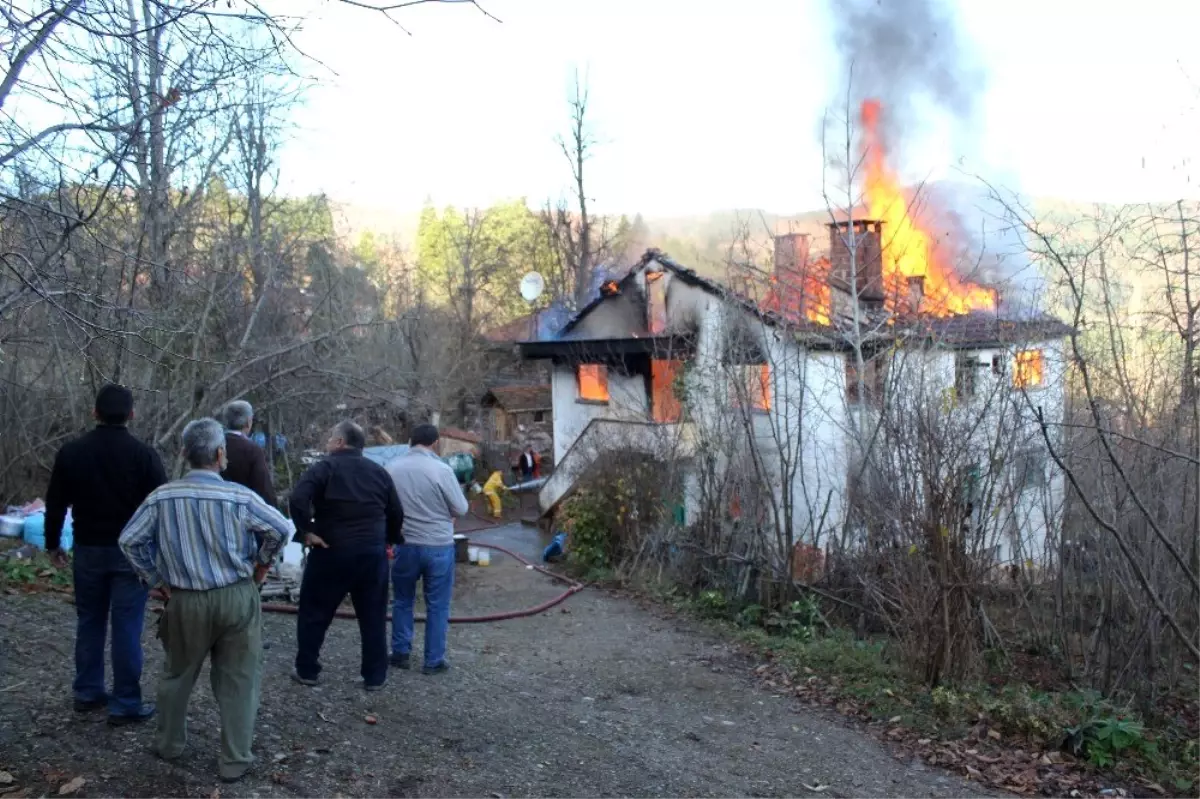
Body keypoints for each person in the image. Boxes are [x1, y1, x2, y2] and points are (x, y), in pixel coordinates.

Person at [119, 418, 290, 783]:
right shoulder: (240, 497)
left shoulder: (162, 497)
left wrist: (155, 579)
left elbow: (129, 540)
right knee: (240, 680)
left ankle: (168, 744)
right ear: (219, 454)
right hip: (237, 598)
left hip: (184, 600)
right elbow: (281, 528)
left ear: (183, 453)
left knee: (177, 674)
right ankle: (234, 761)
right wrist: (261, 566)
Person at [44, 384, 167, 725]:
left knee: (90, 621)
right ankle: (126, 702)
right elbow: (162, 506)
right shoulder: (144, 456)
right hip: (131, 553)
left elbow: (55, 503)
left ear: (94, 413)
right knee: (127, 627)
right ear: (132, 414)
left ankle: (87, 691)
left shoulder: (72, 452)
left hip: (87, 549)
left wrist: (53, 543)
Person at [288, 420, 403, 690]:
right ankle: (375, 677)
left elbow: (297, 498)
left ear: (340, 442)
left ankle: (307, 669)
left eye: (330, 438)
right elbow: (396, 512)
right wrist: (390, 538)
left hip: (331, 549)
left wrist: (307, 531)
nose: (327, 443)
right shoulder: (379, 472)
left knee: (315, 612)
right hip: (371, 553)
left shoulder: (324, 467)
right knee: (373, 616)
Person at [385, 424, 469, 674]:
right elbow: (461, 508)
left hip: (405, 544)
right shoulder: (442, 470)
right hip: (438, 546)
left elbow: (384, 506)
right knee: (438, 605)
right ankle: (433, 661)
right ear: (435, 443)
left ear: (411, 441)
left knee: (402, 600)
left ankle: (400, 652)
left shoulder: (391, 468)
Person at [219, 400, 276, 507]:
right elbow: (263, 488)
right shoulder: (252, 450)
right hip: (246, 512)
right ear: (248, 422)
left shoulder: (215, 446)